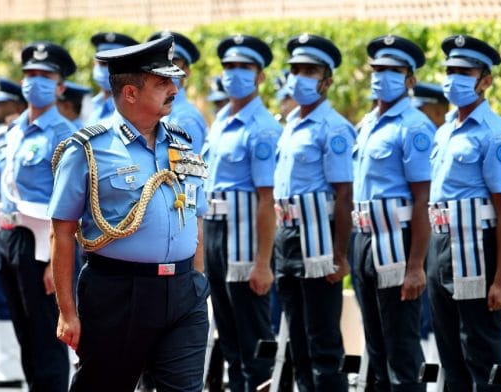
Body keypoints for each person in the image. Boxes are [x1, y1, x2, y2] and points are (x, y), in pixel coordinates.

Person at [49, 36, 210, 392]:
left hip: (184, 293)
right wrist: (67, 310)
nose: (174, 88)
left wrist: (196, 279)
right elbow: (62, 231)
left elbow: (195, 214)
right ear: (131, 93)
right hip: (120, 293)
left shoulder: (182, 142)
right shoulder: (88, 149)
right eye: (162, 82)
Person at [426, 34, 501, 392]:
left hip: (475, 247)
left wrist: (500, 279)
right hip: (441, 242)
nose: (454, 78)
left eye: (465, 71)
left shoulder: (495, 134)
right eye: (450, 70)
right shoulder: (446, 130)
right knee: (449, 350)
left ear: (486, 80)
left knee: (480, 346)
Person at [352, 34, 435, 392]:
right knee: (376, 344)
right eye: (377, 69)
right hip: (365, 239)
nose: (381, 76)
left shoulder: (414, 127)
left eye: (392, 70)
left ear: (410, 78)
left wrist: (416, 265)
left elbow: (423, 200)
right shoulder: (368, 122)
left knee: (401, 345)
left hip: (397, 242)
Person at [272, 33, 354, 392]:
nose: (300, 77)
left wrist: (340, 254)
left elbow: (344, 195)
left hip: (318, 238)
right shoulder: (290, 123)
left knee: (322, 341)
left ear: (327, 79)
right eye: (295, 69)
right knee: (298, 342)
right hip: (286, 236)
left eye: (310, 70)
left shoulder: (333, 127)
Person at [0, 41, 76, 392]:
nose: (35, 81)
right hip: (11, 238)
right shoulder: (15, 132)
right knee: (25, 335)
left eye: (45, 76)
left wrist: (55, 264)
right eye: (30, 74)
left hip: (44, 244)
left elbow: (72, 206)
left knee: (47, 340)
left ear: (60, 87)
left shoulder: (64, 136)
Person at [203, 34, 280, 392]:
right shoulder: (220, 121)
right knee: (229, 337)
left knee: (254, 339)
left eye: (244, 68)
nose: (234, 74)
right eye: (229, 67)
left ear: (260, 76)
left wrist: (263, 262)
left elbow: (268, 199)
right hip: (217, 233)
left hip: (246, 238)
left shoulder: (262, 128)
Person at [0, 77, 26, 387]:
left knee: (9, 298)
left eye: (0, 103)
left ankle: (10, 368)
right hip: (3, 227)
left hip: (20, 228)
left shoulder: (14, 137)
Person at [148, 31, 207, 153]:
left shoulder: (185, 119)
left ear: (187, 71)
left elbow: (187, 171)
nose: (164, 67)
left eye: (173, 61)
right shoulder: (149, 110)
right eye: (159, 60)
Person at [87, 32, 138, 126]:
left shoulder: (136, 108)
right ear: (94, 64)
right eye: (102, 63)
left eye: (114, 65)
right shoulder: (88, 105)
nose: (108, 69)